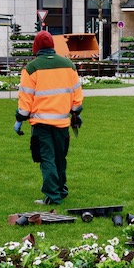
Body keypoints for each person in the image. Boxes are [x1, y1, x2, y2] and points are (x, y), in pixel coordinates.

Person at [15, 31, 84, 205]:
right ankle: (61, 189)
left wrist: (19, 119)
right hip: (62, 122)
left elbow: (25, 99)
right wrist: (76, 113)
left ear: (36, 47)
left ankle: (52, 196)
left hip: (41, 123)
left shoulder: (31, 68)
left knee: (47, 159)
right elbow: (77, 94)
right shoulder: (69, 65)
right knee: (60, 157)